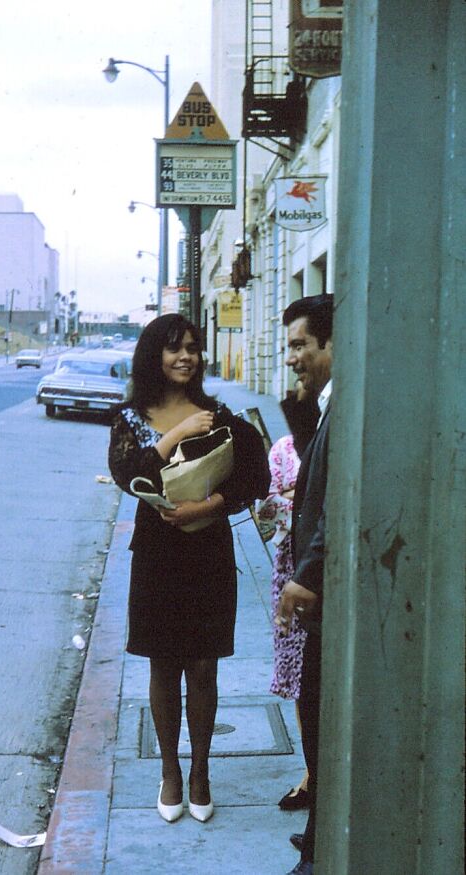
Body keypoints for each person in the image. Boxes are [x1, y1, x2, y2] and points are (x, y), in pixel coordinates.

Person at [108, 313, 270, 823]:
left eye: (193, 348)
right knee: (163, 664)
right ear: (154, 355)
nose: (186, 357)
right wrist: (175, 433)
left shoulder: (218, 414)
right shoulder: (132, 417)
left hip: (208, 554)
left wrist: (212, 504)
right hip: (157, 555)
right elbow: (125, 474)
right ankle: (170, 771)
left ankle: (201, 772)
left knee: (203, 665)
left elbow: (256, 473)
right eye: (174, 347)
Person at [276, 294, 334, 875]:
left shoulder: (348, 407)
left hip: (325, 592)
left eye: (301, 346)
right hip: (317, 592)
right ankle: (317, 834)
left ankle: (320, 851)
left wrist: (305, 575)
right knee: (313, 712)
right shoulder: (326, 406)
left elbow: (336, 505)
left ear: (334, 345)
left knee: (320, 718)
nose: (292, 357)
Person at [257, 381, 319, 813]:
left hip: (320, 572)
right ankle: (311, 772)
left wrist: (299, 497)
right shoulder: (282, 448)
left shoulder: (340, 435)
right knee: (301, 680)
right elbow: (270, 506)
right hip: (291, 572)